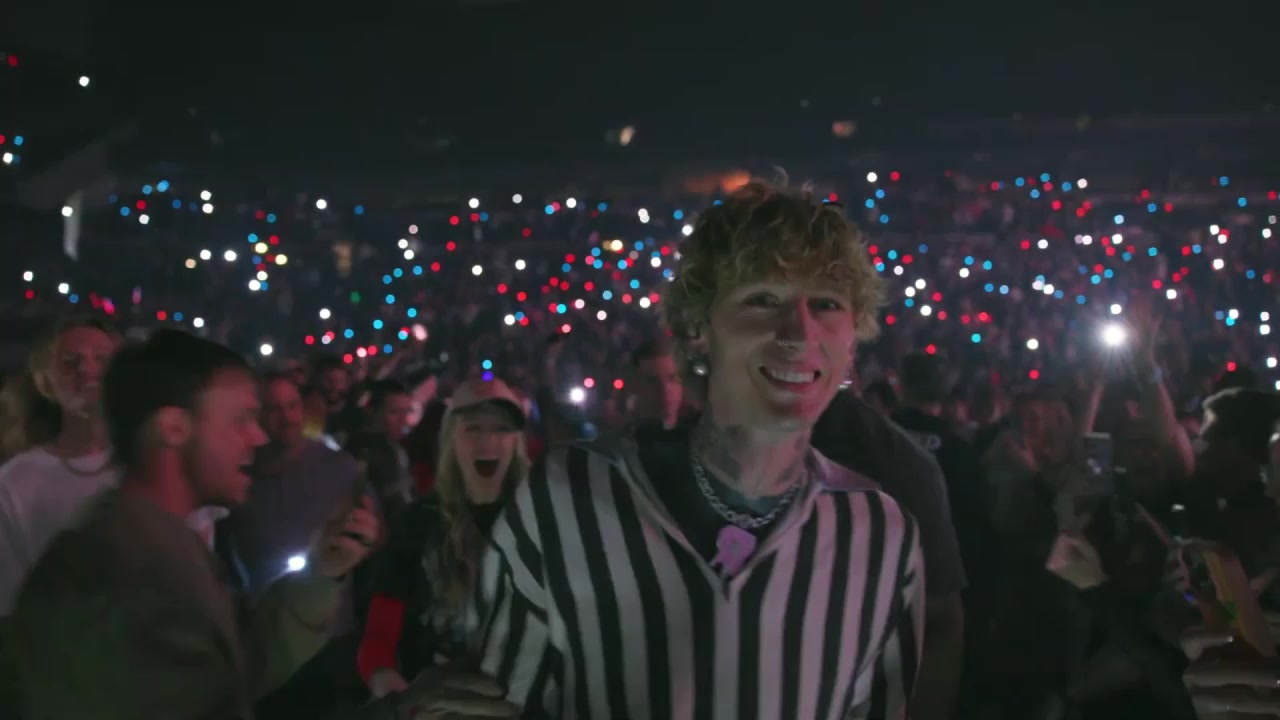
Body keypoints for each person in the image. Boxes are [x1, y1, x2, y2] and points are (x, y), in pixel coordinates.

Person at [470, 181, 924, 718]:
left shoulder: (881, 535)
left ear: (852, 342)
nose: (799, 332)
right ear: (697, 331)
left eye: (826, 304)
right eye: (764, 300)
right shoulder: (566, 501)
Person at [6, 330, 514, 719]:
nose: (258, 436)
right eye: (241, 419)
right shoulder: (119, 571)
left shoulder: (168, 545)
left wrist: (319, 576)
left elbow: (233, 671)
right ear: (175, 428)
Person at [359, 377, 529, 698]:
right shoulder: (417, 523)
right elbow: (379, 633)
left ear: (516, 441)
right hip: (433, 699)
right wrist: (384, 677)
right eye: (473, 428)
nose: (488, 441)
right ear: (451, 438)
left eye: (501, 429)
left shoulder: (540, 522)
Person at [0, 315, 119, 616]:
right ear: (46, 383)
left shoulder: (156, 463)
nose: (87, 369)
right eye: (70, 361)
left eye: (101, 359)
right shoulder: (17, 481)